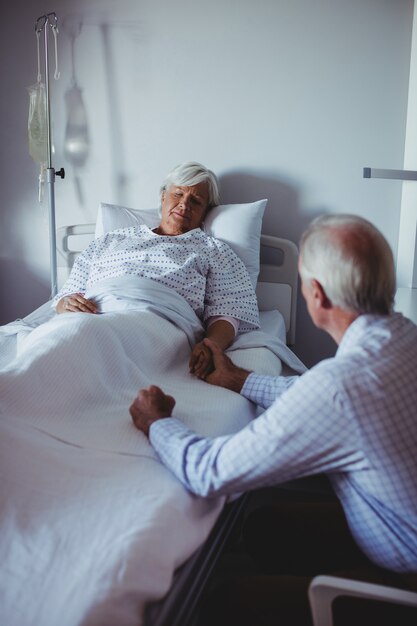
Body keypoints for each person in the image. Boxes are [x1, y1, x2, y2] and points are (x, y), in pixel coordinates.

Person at [130, 214, 417, 625]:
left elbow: (210, 472)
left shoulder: (341, 386)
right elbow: (327, 400)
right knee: (265, 528)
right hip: (398, 525)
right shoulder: (403, 337)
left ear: (316, 294)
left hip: (406, 588)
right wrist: (239, 379)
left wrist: (155, 422)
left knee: (225, 604)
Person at [53, 161, 259, 378]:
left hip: (158, 322)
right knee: (57, 340)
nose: (184, 204)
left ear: (206, 211)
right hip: (92, 316)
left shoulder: (214, 251)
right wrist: (66, 304)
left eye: (196, 201)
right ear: (163, 197)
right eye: (178, 194)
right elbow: (65, 296)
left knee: (85, 344)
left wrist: (211, 345)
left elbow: (229, 311)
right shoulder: (110, 240)